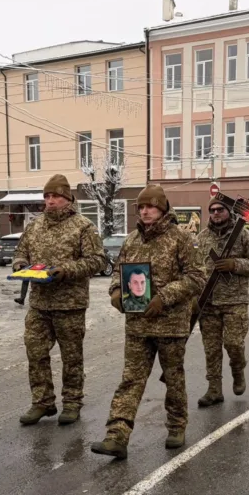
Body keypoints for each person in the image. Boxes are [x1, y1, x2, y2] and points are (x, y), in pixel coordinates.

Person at [91, 184, 204, 459]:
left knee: (173, 378)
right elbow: (118, 272)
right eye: (141, 207)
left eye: (150, 206)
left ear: (162, 208)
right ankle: (117, 435)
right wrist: (116, 292)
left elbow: (196, 277)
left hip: (171, 324)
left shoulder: (181, 238)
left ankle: (176, 426)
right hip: (138, 325)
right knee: (130, 380)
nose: (145, 211)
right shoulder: (131, 240)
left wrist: (164, 298)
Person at [13, 174, 106, 426]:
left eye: (55, 196)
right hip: (39, 303)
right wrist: (20, 264)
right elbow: (21, 251)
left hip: (70, 304)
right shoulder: (35, 226)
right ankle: (42, 402)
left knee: (71, 357)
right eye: (47, 196)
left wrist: (66, 270)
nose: (50, 201)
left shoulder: (83, 226)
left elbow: (97, 260)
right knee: (35, 351)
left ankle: (72, 403)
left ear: (67, 198)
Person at [194, 196, 249, 407]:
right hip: (208, 302)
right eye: (212, 210)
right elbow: (194, 267)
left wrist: (235, 264)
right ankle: (214, 389)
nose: (216, 213)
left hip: (235, 301)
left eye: (220, 209)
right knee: (211, 349)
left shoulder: (243, 236)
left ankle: (238, 369)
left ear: (228, 211)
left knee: (233, 343)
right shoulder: (202, 237)